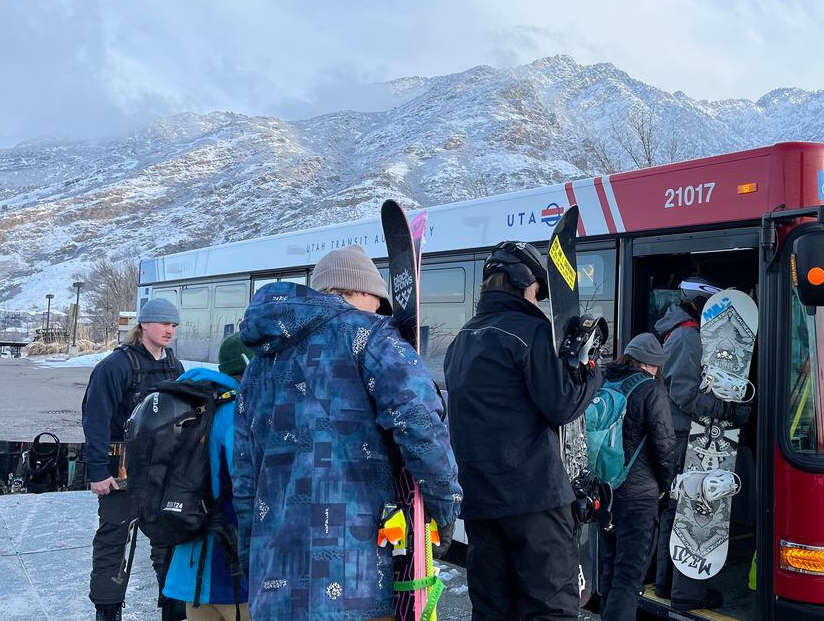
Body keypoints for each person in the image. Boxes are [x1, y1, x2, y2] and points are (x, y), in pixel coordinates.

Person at [233, 245, 462, 621]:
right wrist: (445, 505)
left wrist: (252, 560)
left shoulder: (258, 366)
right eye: (380, 302)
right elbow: (419, 422)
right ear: (363, 291)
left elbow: (244, 477)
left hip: (274, 585)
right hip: (357, 582)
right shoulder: (370, 336)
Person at [443, 240, 601, 620]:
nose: (537, 300)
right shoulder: (530, 332)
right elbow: (562, 404)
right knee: (550, 608)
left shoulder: (462, 339)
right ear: (521, 281)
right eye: (536, 292)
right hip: (535, 501)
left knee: (493, 608)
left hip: (481, 502)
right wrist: (592, 370)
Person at [82, 297, 186, 621]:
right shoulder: (116, 366)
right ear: (144, 325)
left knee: (168, 542)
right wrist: (97, 471)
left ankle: (172, 607)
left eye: (174, 325)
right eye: (163, 323)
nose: (169, 330)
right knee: (115, 541)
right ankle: (108, 611)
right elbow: (96, 420)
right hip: (121, 473)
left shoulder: (174, 367)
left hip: (162, 474)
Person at [653, 276, 747, 611]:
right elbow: (685, 393)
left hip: (683, 432)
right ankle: (684, 593)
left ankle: (666, 584)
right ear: (699, 304)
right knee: (692, 510)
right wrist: (730, 409)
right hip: (684, 434)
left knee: (677, 509)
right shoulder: (687, 337)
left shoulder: (684, 332)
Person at [162, 333, 254, 621]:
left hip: (190, 561)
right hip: (230, 568)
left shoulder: (195, 406)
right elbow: (247, 487)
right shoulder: (237, 413)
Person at [597, 333, 677, 621]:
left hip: (605, 491)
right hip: (638, 494)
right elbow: (665, 444)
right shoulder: (651, 389)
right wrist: (666, 486)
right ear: (651, 364)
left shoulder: (605, 381)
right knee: (629, 576)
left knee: (610, 566)